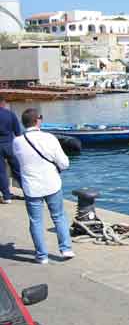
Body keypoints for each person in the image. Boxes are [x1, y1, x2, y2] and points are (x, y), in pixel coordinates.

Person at [12, 109, 74, 264]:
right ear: (38, 120)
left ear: (23, 123)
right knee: (59, 216)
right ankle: (66, 249)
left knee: (36, 221)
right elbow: (64, 163)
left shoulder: (17, 141)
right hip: (52, 183)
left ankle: (42, 256)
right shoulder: (50, 138)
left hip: (31, 187)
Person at [0, 95, 22, 204]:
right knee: (17, 170)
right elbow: (18, 132)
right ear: (3, 102)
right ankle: (29, 193)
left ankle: (7, 196)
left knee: (1, 172)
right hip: (10, 145)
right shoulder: (10, 114)